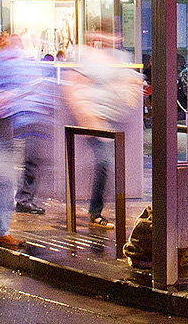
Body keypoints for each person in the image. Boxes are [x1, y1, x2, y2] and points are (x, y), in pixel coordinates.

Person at [65, 32, 143, 230]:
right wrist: (88, 118)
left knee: (107, 163)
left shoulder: (116, 59)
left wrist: (132, 86)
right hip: (96, 120)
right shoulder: (86, 57)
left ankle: (96, 211)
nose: (111, 41)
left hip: (107, 120)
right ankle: (94, 212)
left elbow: (130, 84)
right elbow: (74, 89)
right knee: (104, 162)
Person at [0, 33, 54, 215]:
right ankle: (17, 200)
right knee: (23, 161)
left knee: (26, 160)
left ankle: (18, 200)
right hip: (16, 117)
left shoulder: (22, 63)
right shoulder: (3, 62)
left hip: (23, 117)